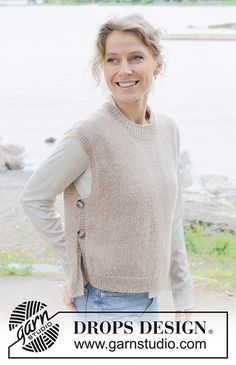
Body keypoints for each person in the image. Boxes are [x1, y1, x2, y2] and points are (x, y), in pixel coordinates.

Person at [20, 14, 195, 324]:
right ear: (103, 67)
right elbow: (34, 197)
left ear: (158, 63)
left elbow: (171, 216)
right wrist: (73, 270)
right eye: (112, 60)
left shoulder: (168, 130)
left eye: (136, 57)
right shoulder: (90, 134)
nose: (124, 70)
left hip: (151, 296)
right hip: (104, 303)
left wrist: (182, 291)